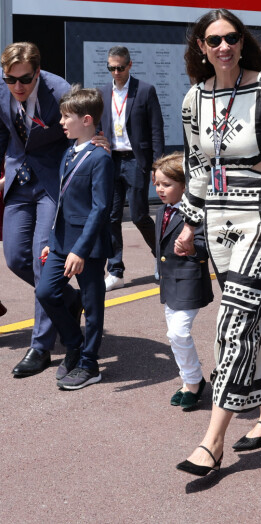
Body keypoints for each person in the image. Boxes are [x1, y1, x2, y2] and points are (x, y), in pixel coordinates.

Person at [174, 8, 261, 477]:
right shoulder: (194, 98)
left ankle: (212, 441)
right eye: (214, 40)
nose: (224, 47)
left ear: (242, 40)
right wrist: (189, 223)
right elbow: (195, 164)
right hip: (217, 220)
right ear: (201, 47)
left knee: (232, 320)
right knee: (248, 321)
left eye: (231, 37)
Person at [0, 42, 82, 378]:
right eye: (10, 79)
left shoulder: (59, 90)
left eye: (24, 79)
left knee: (41, 259)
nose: (17, 86)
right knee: (16, 256)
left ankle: (41, 346)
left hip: (52, 181)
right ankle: (67, 299)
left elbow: (80, 130)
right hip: (18, 180)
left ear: (37, 71)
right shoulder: (2, 89)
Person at [36, 86, 114, 389]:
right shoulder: (69, 151)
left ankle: (90, 364)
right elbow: (63, 201)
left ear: (87, 119)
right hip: (61, 241)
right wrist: (52, 240)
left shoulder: (100, 158)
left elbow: (100, 209)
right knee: (45, 292)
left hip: (88, 247)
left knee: (93, 306)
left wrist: (80, 250)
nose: (61, 122)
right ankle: (74, 343)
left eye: (67, 117)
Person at [99, 45, 165, 291]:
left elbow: (156, 130)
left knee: (138, 214)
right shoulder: (103, 93)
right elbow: (98, 125)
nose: (115, 72)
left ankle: (161, 258)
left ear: (129, 65)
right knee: (111, 216)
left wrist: (158, 165)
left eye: (119, 67)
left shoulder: (145, 91)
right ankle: (115, 271)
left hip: (136, 160)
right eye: (111, 68)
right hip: (111, 160)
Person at [152, 152, 213, 410]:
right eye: (156, 184)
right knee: (174, 335)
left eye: (167, 184)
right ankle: (190, 380)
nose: (160, 190)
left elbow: (206, 246)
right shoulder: (161, 211)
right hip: (169, 283)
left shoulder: (197, 213)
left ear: (185, 186)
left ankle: (195, 382)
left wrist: (192, 249)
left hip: (189, 281)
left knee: (178, 332)